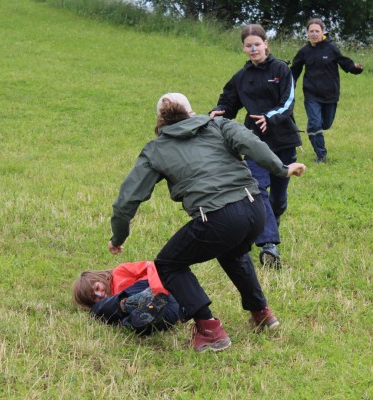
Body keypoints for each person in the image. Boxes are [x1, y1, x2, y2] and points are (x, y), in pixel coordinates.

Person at [108, 93, 306, 352]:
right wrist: (282, 169)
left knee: (168, 264)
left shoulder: (156, 149)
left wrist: (118, 237)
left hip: (217, 217)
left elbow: (126, 201)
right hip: (256, 208)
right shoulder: (219, 125)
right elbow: (253, 144)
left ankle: (209, 329)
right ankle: (262, 313)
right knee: (233, 253)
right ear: (191, 112)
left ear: (160, 120)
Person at [210, 24, 302, 269]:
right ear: (243, 48)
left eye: (257, 44)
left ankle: (274, 216)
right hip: (254, 141)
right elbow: (229, 102)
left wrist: (269, 117)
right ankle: (268, 245)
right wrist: (219, 111)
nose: (253, 49)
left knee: (278, 199)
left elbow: (288, 102)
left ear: (265, 44)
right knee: (257, 188)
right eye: (248, 46)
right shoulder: (241, 77)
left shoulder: (281, 69)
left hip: (283, 141)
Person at [290, 18, 363, 164]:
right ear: (307, 33)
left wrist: (355, 68)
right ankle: (321, 154)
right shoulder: (304, 51)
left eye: (317, 31)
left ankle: (315, 129)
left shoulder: (331, 48)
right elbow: (294, 70)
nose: (314, 34)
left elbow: (344, 62)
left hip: (330, 94)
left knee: (326, 124)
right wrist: (288, 86)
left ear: (323, 32)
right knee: (315, 123)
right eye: (311, 31)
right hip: (311, 94)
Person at [72, 260, 181, 335]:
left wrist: (158, 290)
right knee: (136, 324)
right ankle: (139, 312)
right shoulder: (107, 305)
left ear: (101, 278)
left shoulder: (119, 272)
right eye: (94, 297)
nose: (100, 294)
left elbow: (152, 266)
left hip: (157, 290)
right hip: (168, 312)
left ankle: (134, 301)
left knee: (124, 296)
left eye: (97, 288)